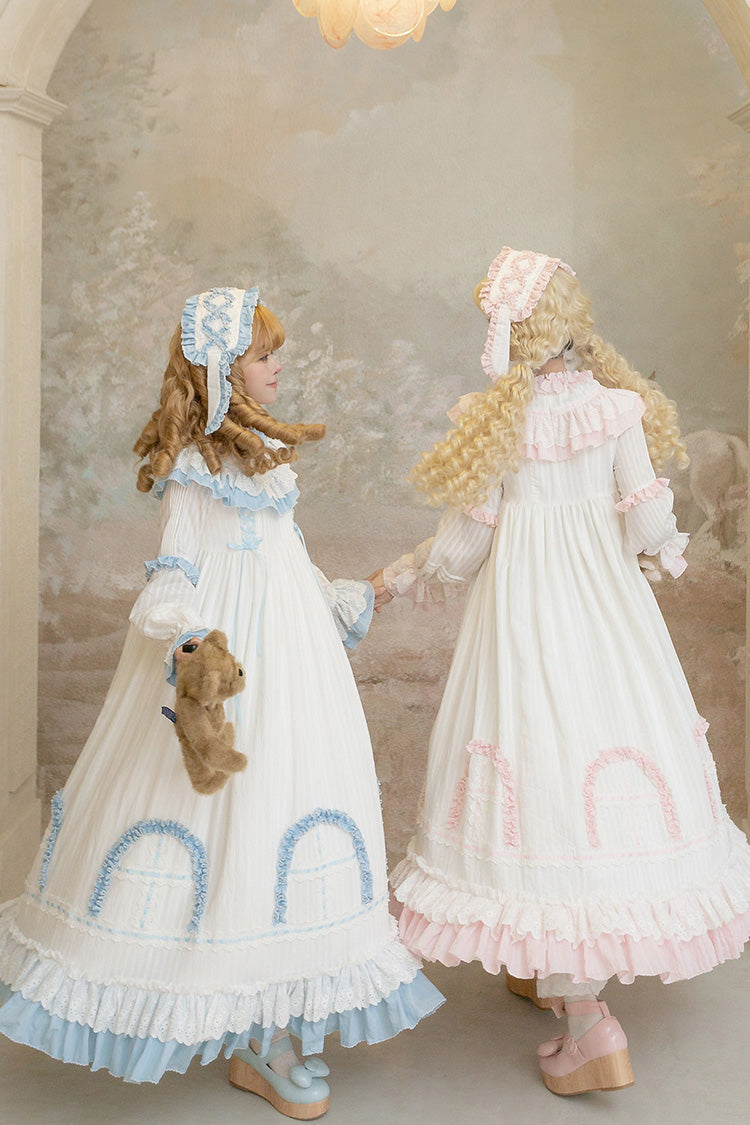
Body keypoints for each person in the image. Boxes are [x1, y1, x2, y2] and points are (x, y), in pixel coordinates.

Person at [0, 286, 442, 1118]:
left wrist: (349, 597)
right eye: (265, 356)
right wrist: (189, 640)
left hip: (295, 662)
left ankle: (275, 1018)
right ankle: (254, 1029)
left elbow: (285, 559)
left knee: (287, 806)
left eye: (276, 356)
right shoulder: (195, 469)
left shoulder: (267, 457)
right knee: (227, 817)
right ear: (223, 368)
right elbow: (174, 571)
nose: (279, 368)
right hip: (231, 657)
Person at [370, 249, 750, 1096]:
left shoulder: (499, 421)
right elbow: (648, 517)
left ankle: (589, 1024)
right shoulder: (615, 409)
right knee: (594, 755)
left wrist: (416, 572)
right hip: (608, 618)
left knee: (539, 759)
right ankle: (548, 963)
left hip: (524, 618)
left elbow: (465, 546)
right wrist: (653, 553)